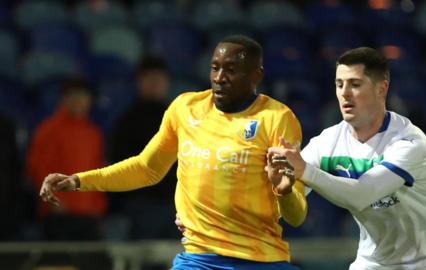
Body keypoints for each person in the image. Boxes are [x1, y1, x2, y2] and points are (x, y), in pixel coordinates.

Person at [39, 35, 307, 269]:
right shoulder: (185, 109)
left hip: (260, 260)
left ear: (256, 76)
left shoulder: (277, 119)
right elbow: (147, 168)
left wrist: (284, 192)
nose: (220, 78)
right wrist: (78, 181)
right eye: (215, 68)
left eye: (232, 70)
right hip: (199, 259)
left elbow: (296, 216)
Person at [267, 47, 426, 269]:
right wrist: (283, 190)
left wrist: (304, 171)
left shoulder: (409, 142)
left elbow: (362, 194)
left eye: (355, 84)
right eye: (339, 85)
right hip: (374, 262)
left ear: (382, 88)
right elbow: (292, 202)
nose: (345, 93)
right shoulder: (328, 141)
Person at [27, 77, 107, 240]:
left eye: (83, 96)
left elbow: (98, 171)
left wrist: (98, 205)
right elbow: (37, 168)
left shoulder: (93, 134)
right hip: (58, 214)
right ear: (63, 99)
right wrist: (52, 202)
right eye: (73, 96)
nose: (78, 101)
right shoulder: (48, 130)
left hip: (87, 215)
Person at [108, 56, 177, 239]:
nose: (155, 83)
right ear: (139, 82)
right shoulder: (127, 121)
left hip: (175, 203)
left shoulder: (177, 117)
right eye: (149, 78)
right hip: (142, 204)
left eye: (159, 78)